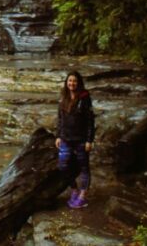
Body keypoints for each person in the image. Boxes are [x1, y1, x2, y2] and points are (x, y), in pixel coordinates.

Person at [55, 70, 95, 208]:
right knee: (62, 166)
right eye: (70, 81)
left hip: (81, 139)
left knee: (84, 167)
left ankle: (83, 196)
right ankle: (74, 189)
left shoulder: (84, 97)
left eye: (75, 81)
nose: (72, 83)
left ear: (79, 83)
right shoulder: (63, 97)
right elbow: (60, 118)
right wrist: (58, 135)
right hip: (66, 138)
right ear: (67, 83)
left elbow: (90, 120)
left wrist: (90, 140)